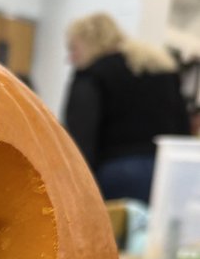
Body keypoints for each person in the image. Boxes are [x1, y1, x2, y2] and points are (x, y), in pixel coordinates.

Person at [62, 12, 192, 203]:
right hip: (164, 173)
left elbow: (81, 138)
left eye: (73, 48)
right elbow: (182, 127)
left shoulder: (91, 75)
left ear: (89, 42)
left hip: (118, 174)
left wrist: (74, 188)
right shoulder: (162, 70)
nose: (70, 58)